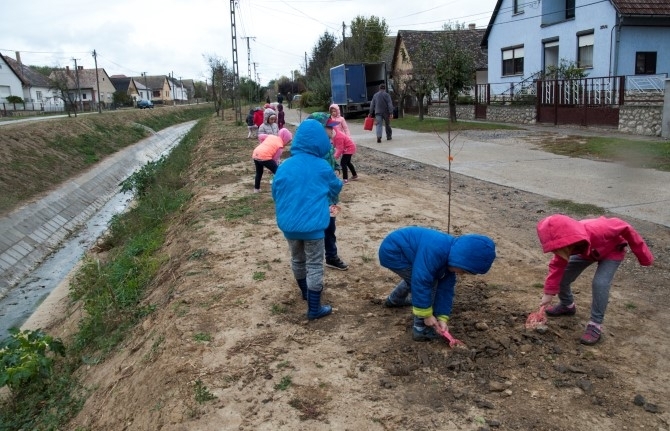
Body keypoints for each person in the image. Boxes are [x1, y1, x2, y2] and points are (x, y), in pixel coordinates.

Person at [536, 214, 654, 345]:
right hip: (587, 252)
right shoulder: (565, 245)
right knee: (563, 276)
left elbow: (626, 227)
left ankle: (595, 324)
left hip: (612, 251)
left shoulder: (599, 229)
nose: (560, 251)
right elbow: (557, 266)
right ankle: (567, 305)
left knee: (600, 283)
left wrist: (644, 257)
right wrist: (548, 293)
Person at [272, 118, 343, 320]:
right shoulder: (322, 167)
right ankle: (314, 308)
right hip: (313, 227)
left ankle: (305, 292)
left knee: (297, 259)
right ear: (320, 141)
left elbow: (276, 193)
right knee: (314, 264)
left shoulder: (284, 166)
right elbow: (335, 187)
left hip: (289, 226)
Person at [379, 226, 496, 342]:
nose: (462, 274)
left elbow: (446, 290)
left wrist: (442, 317)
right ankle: (420, 329)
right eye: (464, 271)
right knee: (426, 282)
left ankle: (395, 300)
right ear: (460, 259)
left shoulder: (450, 258)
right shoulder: (437, 251)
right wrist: (427, 315)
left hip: (407, 251)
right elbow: (421, 281)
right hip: (394, 252)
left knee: (416, 277)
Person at [306, 112, 349, 271]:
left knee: (330, 226)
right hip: (318, 196)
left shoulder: (327, 144)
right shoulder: (311, 150)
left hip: (330, 196)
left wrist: (336, 167)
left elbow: (331, 160)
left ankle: (331, 256)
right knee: (317, 227)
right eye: (328, 127)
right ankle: (313, 259)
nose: (333, 129)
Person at [252, 128, 292, 193]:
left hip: (256, 153)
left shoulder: (271, 136)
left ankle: (256, 189)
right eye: (288, 141)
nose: (287, 143)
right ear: (285, 139)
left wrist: (263, 144)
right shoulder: (280, 146)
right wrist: (271, 169)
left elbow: (260, 136)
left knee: (259, 172)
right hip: (265, 156)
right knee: (278, 172)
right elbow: (275, 159)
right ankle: (283, 188)